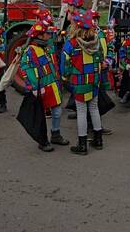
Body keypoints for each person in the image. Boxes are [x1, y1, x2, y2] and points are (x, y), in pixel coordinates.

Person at [19, 21, 70, 152]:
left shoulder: (48, 47)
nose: (50, 35)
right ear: (40, 35)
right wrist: (34, 88)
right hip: (39, 88)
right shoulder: (30, 51)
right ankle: (42, 141)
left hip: (53, 85)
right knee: (39, 116)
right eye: (48, 33)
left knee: (57, 112)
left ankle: (56, 134)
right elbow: (27, 70)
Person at [61, 10, 107, 155]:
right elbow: (101, 59)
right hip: (94, 79)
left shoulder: (71, 44)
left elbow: (64, 64)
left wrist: (65, 77)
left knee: (81, 111)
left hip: (79, 80)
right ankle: (98, 140)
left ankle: (82, 145)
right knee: (94, 108)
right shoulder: (96, 41)